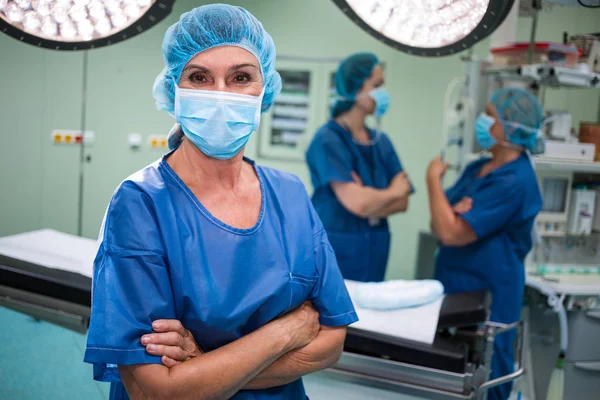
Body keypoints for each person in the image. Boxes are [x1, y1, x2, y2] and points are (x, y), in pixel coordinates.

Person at [83, 5, 358, 400]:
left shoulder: (291, 194)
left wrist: (201, 365)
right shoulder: (141, 203)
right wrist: (286, 332)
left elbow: (332, 342)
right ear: (174, 89)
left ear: (265, 90)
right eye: (199, 77)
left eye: (241, 77)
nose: (221, 95)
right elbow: (154, 391)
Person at [427, 87, 544, 400]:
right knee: (447, 375)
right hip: (452, 290)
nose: (481, 121)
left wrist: (432, 182)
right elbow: (438, 225)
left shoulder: (515, 181)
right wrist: (448, 213)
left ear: (511, 128)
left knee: (486, 373)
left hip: (490, 295)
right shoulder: (476, 169)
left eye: (489, 115)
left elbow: (451, 233)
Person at [305, 53, 413, 283]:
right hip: (337, 247)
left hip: (374, 248)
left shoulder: (380, 141)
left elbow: (404, 203)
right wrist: (392, 192)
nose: (382, 93)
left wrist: (369, 201)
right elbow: (359, 202)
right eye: (377, 85)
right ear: (355, 88)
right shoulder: (328, 140)